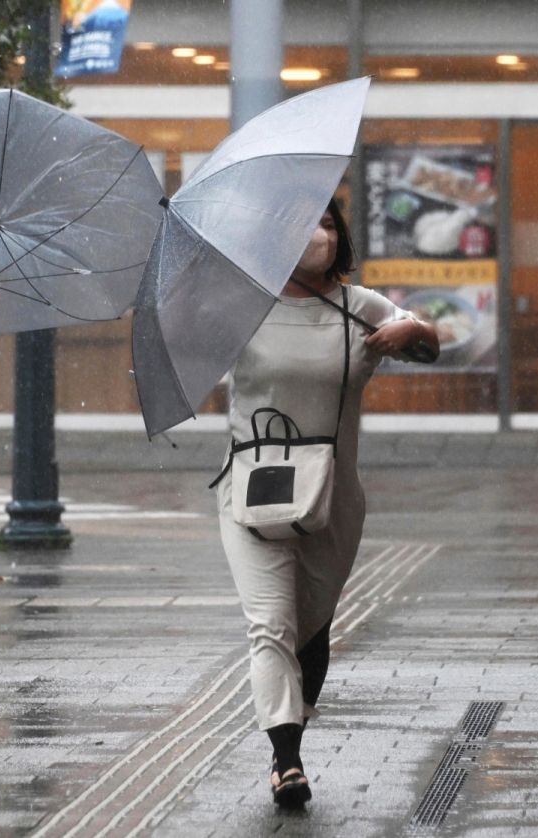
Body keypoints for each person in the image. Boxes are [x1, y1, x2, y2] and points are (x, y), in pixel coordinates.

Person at [216, 200, 440, 805]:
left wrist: (411, 330)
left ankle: (294, 720)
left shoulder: (360, 307)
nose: (318, 233)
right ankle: (286, 760)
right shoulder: (241, 308)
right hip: (252, 492)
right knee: (271, 625)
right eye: (303, 222)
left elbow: (432, 346)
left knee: (311, 625)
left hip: (334, 494)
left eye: (328, 224)